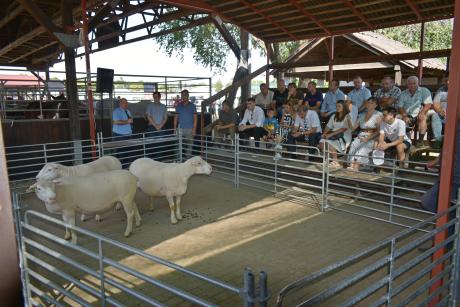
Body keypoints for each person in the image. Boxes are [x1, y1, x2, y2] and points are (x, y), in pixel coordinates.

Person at [397, 76, 442, 147]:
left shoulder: (424, 91)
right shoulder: (403, 93)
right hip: (407, 114)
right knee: (397, 118)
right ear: (407, 84)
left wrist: (422, 112)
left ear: (418, 83)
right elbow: (400, 106)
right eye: (410, 83)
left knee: (422, 118)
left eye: (414, 83)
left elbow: (428, 104)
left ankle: (420, 141)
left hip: (420, 113)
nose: (412, 85)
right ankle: (400, 140)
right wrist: (404, 115)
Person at [348, 97, 383, 171]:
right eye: (368, 102)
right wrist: (348, 118)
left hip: (372, 136)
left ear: (376, 105)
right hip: (361, 135)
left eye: (372, 103)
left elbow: (379, 131)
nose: (369, 104)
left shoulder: (378, 114)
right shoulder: (361, 114)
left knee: (362, 149)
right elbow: (353, 128)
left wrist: (367, 138)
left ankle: (356, 167)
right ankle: (352, 166)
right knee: (353, 145)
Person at [320, 100, 353, 167]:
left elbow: (344, 128)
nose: (337, 108)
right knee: (321, 141)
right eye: (336, 106)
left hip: (344, 135)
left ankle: (335, 161)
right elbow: (328, 126)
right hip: (334, 134)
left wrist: (330, 135)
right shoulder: (334, 115)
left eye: (339, 106)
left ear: (344, 107)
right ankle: (327, 159)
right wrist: (324, 133)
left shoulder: (347, 116)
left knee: (329, 142)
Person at [174, 89, 197, 158]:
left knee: (189, 146)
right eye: (182, 95)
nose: (183, 96)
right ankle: (177, 160)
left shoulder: (193, 106)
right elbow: (176, 118)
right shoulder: (178, 106)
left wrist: (194, 129)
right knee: (177, 145)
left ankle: (188, 160)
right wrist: (174, 129)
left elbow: (195, 119)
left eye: (185, 95)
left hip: (190, 129)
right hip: (180, 129)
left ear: (188, 96)